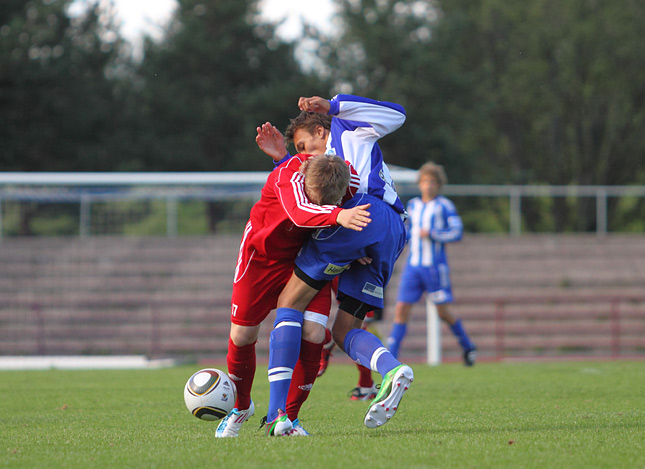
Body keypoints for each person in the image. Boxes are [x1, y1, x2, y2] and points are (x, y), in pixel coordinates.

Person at [257, 94, 414, 436]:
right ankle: (392, 369)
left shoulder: (349, 131)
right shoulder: (326, 159)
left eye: (303, 145)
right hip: (391, 232)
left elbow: (398, 114)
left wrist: (334, 105)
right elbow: (309, 183)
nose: (302, 155)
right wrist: (282, 159)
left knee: (288, 302)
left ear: (320, 130)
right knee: (344, 330)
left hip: (358, 215)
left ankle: (276, 414)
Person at [215, 150, 371, 438]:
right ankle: (241, 407)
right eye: (315, 197)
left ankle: (287, 418)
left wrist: (358, 241)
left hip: (306, 260)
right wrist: (339, 214)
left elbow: (364, 200)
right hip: (260, 260)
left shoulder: (345, 174)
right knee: (242, 337)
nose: (318, 202)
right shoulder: (288, 174)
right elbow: (300, 211)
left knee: (313, 334)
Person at [387, 162, 477, 366]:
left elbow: (457, 232)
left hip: (434, 267)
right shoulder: (413, 206)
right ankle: (391, 357)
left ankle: (468, 347)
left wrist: (434, 234)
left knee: (443, 311)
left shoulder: (444, 206)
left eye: (432, 182)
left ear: (438, 184)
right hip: (413, 267)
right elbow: (407, 232)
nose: (428, 185)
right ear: (420, 184)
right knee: (401, 308)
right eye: (425, 181)